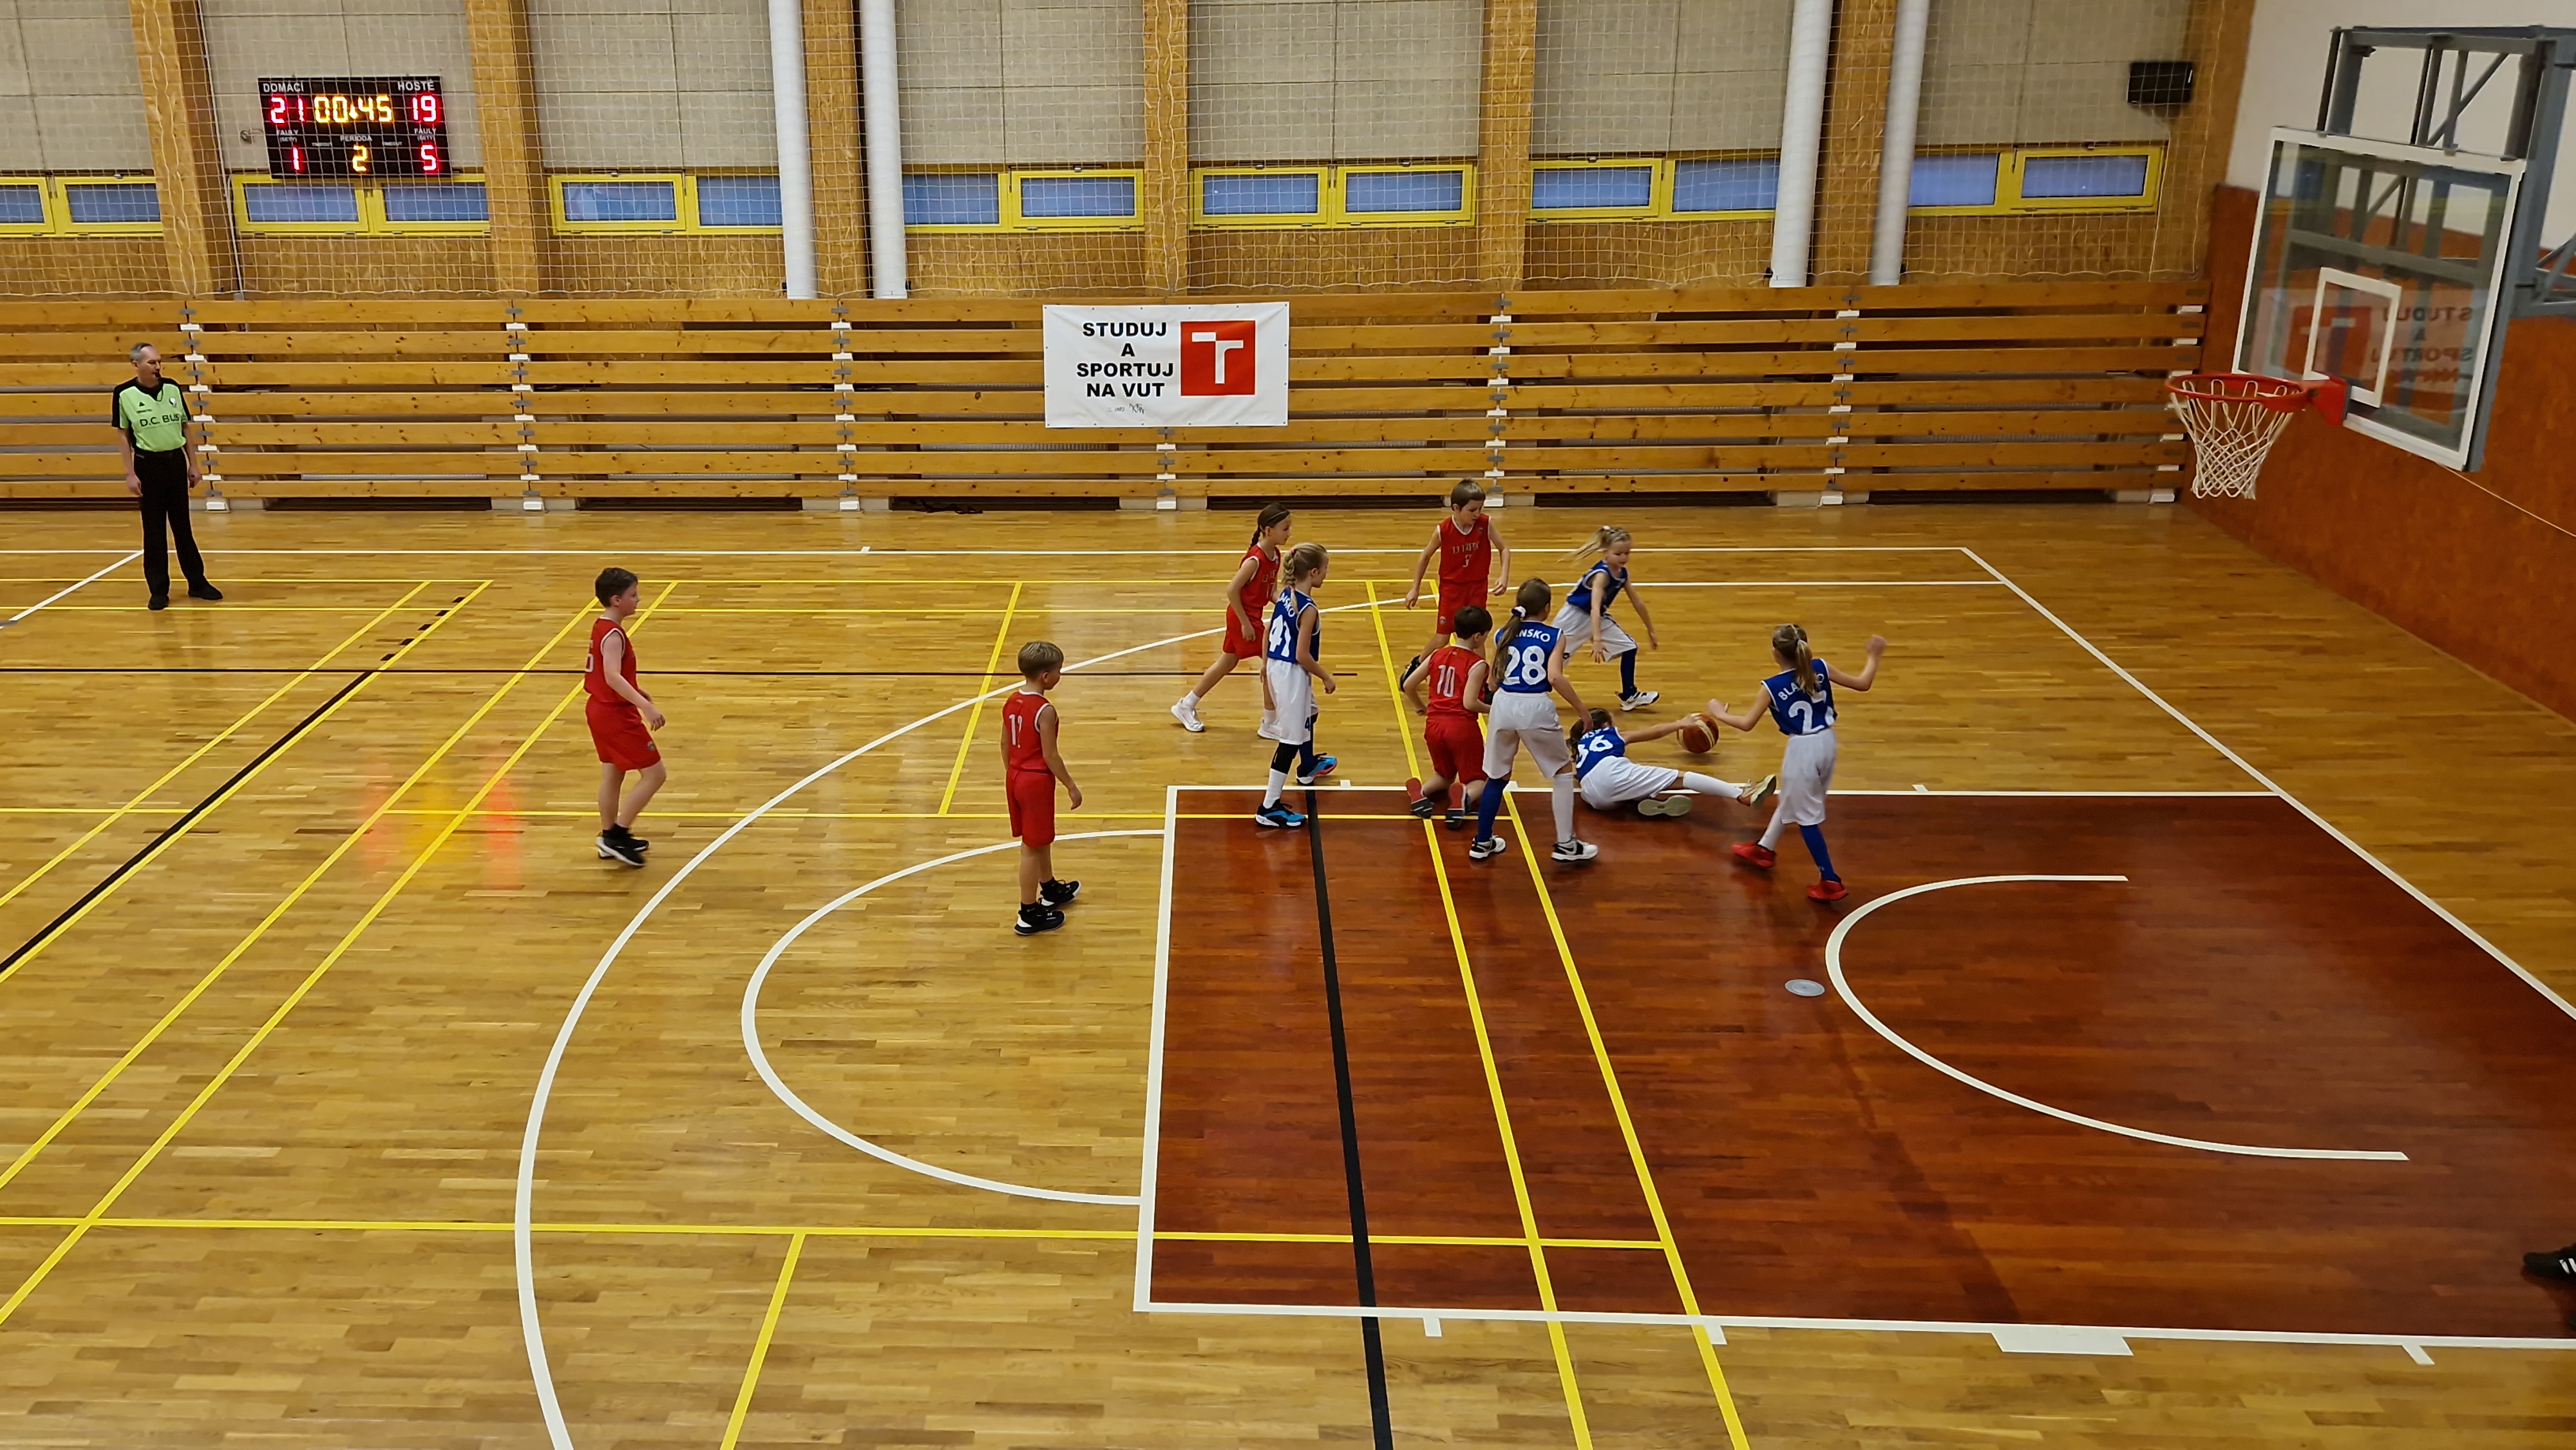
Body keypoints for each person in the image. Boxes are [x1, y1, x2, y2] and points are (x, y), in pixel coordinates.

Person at [1705, 623, 1886, 902]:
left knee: (1806, 818)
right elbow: (1863, 684)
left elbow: (1746, 724)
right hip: (1828, 743)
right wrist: (1873, 656)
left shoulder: (1771, 687)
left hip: (1802, 750)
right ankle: (1764, 848)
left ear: (1776, 653)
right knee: (1793, 798)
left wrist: (1719, 713)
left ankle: (1830, 880)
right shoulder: (1820, 667)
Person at [1467, 579, 1596, 865]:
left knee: (1496, 777)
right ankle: (1566, 844)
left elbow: (1492, 682)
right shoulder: (1555, 635)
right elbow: (1555, 677)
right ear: (1547, 608)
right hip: (1535, 705)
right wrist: (1583, 711)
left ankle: (1482, 842)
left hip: (1503, 704)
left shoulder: (1503, 633)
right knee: (1562, 772)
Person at [111, 342, 222, 611]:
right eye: (152, 363)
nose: (158, 367)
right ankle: (159, 589)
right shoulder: (123, 394)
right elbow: (123, 436)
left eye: (159, 361)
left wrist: (193, 464)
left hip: (175, 464)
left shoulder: (172, 388)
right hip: (148, 466)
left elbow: (185, 428)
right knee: (154, 531)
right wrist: (130, 473)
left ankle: (197, 582)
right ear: (136, 365)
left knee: (183, 527)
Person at [1172, 502, 1292, 733]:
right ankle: (1269, 722)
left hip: (1251, 616)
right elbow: (1232, 590)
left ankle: (1186, 704)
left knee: (1228, 662)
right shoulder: (1255, 560)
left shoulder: (1276, 556)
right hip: (1242, 617)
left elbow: (1271, 591)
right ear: (1269, 530)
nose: (1289, 533)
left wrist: (1287, 604)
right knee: (1272, 662)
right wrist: (1245, 624)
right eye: (1285, 529)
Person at [1399, 481, 1510, 706]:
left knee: (1478, 636)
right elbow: (1425, 556)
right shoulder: (1444, 530)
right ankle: (1416, 666)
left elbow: (1504, 548)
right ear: (1456, 508)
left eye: (1480, 509)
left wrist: (1504, 576)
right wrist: (1415, 587)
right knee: (1442, 637)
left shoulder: (1485, 524)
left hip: (1477, 586)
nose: (1477, 514)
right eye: (1472, 510)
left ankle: (1483, 685)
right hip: (1452, 588)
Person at [584, 567, 665, 868]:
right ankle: (617, 835)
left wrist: (636, 688)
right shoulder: (614, 635)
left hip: (599, 708)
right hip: (615, 714)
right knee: (655, 775)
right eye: (633, 595)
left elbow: (607, 674)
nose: (638, 599)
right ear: (616, 600)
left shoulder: (601, 626)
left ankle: (609, 836)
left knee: (613, 773)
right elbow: (612, 676)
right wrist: (646, 707)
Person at [1002, 640, 1083, 936]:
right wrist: (1071, 785)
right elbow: (1051, 755)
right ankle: (1029, 912)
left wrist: (1013, 775)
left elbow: (1004, 744)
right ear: (1046, 676)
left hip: (1015, 776)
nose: (1061, 675)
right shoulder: (1045, 710)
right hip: (1035, 781)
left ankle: (1048, 887)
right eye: (1059, 670)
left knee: (1040, 840)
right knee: (1030, 848)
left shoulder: (1012, 700)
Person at [1255, 543, 1335, 829]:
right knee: (1289, 741)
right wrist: (1326, 676)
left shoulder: (1286, 594)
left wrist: (1265, 664)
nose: (1326, 574)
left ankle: (1308, 765)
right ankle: (1269, 806)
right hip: (1291, 673)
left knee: (1310, 712)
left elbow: (1267, 630)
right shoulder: (1308, 609)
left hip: (1277, 666)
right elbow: (1302, 655)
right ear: (1313, 572)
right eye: (1325, 569)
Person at [1568, 708, 1776, 818]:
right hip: (1611, 774)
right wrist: (1679, 724)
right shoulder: (1609, 733)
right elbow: (1654, 732)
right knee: (1682, 778)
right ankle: (1741, 793)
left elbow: (1576, 775)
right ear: (1606, 724)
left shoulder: (1580, 748)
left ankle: (1640, 802)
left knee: (1629, 785)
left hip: (1594, 799)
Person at [1399, 603, 1492, 832]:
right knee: (1480, 780)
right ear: (1478, 636)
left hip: (1434, 725)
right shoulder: (1477, 664)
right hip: (1461, 727)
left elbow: (1408, 684)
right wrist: (1493, 709)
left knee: (1445, 774)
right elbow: (1469, 703)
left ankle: (1421, 793)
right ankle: (1464, 798)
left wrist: (1420, 707)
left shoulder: (1436, 654)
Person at [1557, 525, 1659, 711]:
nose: (1624, 557)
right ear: (1605, 552)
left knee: (1629, 647)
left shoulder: (1623, 574)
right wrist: (1597, 640)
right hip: (1574, 617)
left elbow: (1637, 602)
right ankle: (1514, 687)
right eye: (1618, 554)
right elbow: (1594, 608)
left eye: (1627, 553)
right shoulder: (1601, 575)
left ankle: (1629, 696)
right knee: (1552, 660)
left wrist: (1650, 629)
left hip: (1597, 617)